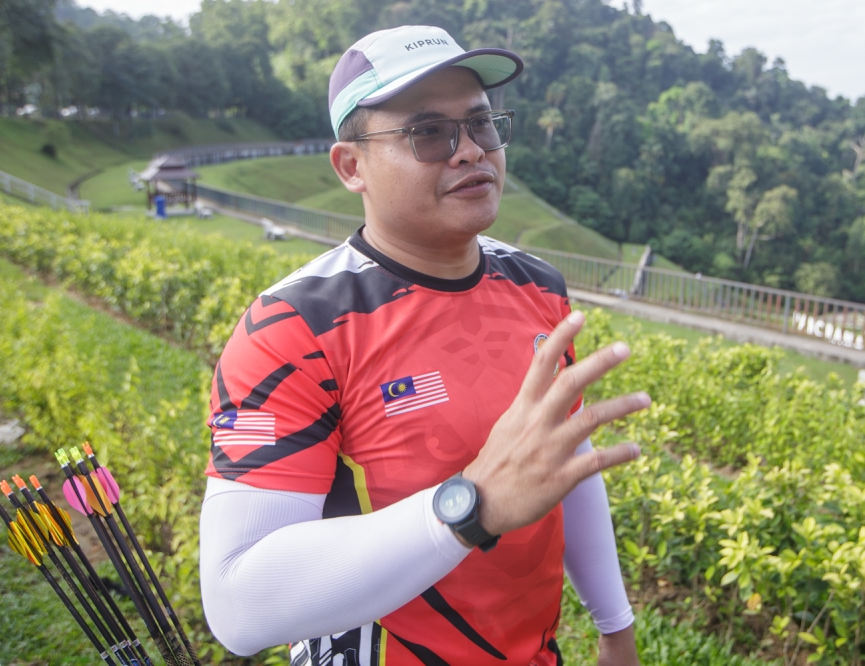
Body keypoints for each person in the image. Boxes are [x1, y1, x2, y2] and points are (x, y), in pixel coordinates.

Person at [199, 25, 650, 666]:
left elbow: (560, 461)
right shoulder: (295, 327)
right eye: (428, 133)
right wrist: (471, 506)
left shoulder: (537, 286)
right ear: (351, 166)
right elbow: (237, 604)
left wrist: (615, 629)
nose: (469, 151)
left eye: (481, 124)